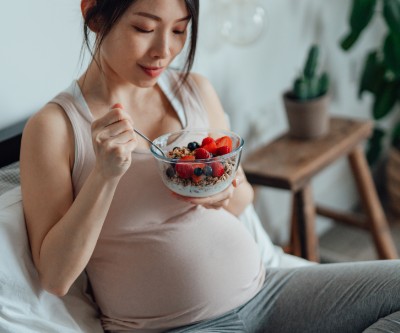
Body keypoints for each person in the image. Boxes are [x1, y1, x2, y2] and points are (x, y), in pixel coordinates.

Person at [20, 0, 400, 332]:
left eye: (180, 30)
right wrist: (104, 176)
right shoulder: (54, 128)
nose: (164, 50)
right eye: (144, 28)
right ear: (94, 15)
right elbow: (55, 277)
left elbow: (242, 196)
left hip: (267, 293)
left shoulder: (194, 91)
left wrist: (221, 193)